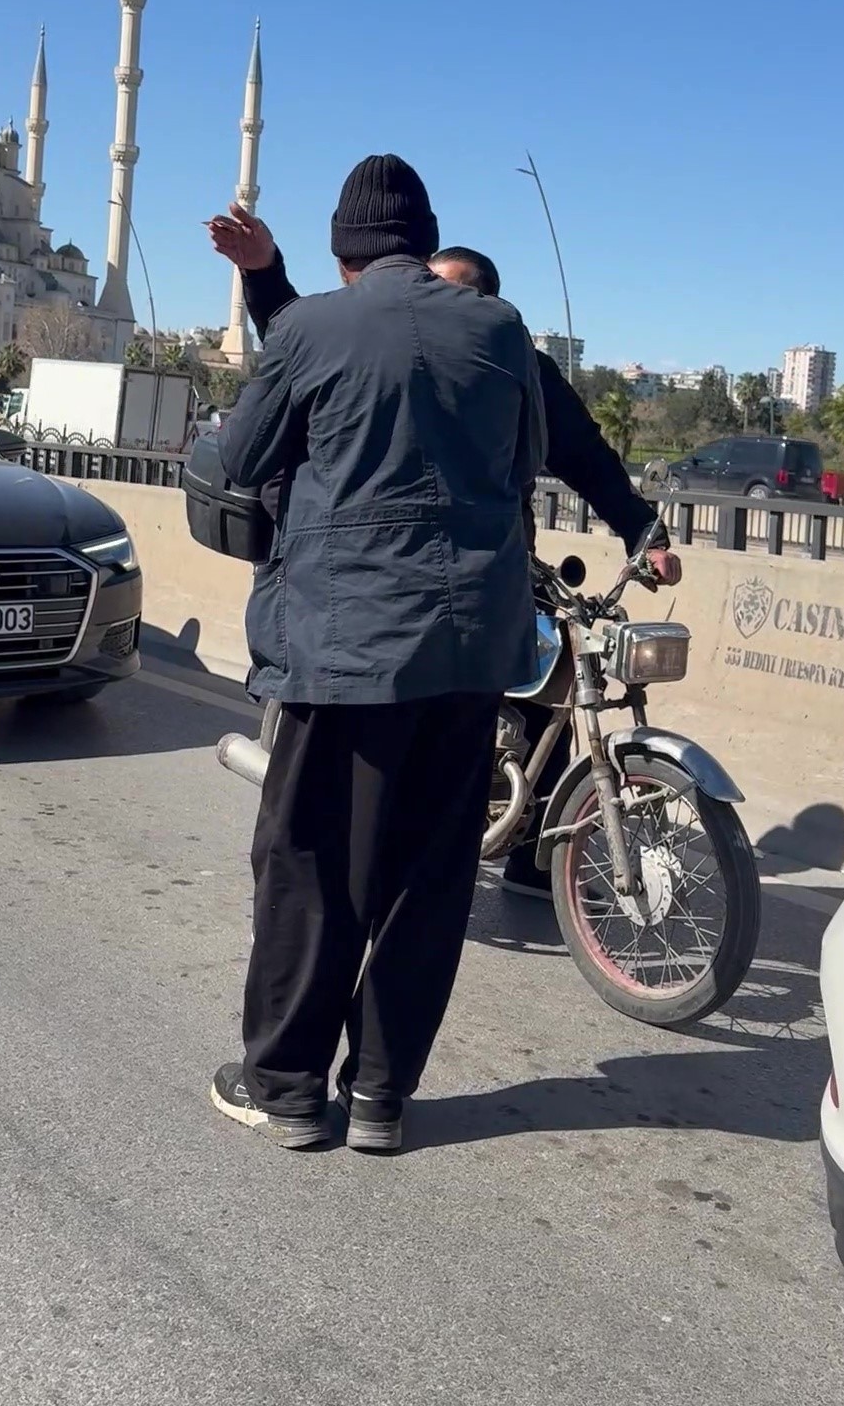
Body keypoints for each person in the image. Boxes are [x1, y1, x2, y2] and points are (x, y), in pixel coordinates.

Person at [207, 156, 545, 1154]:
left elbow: (240, 459)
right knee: (427, 875)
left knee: (311, 862)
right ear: (422, 236)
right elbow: (521, 467)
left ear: (342, 251)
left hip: (344, 643)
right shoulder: (501, 327)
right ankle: (380, 1101)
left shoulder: (312, 324)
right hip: (473, 646)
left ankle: (284, 1086)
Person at [210, 209, 681, 900]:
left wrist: (644, 532)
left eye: (449, 293)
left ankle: (528, 855)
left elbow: (586, 455)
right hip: (364, 588)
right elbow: (305, 343)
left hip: (488, 569)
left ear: (487, 308)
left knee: (543, 678)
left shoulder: (512, 363)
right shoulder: (381, 342)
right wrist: (263, 273)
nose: (424, 304)